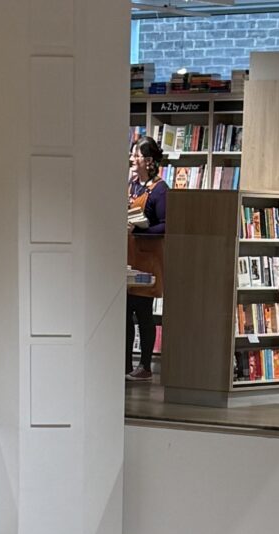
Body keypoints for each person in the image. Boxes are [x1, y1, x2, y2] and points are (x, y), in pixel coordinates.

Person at [126, 136, 168, 378]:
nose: (133, 158)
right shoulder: (132, 185)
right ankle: (125, 364)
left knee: (143, 312)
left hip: (147, 260)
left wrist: (141, 229)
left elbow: (165, 225)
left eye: (137, 155)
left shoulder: (160, 190)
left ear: (150, 161)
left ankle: (145, 366)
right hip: (128, 256)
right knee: (124, 314)